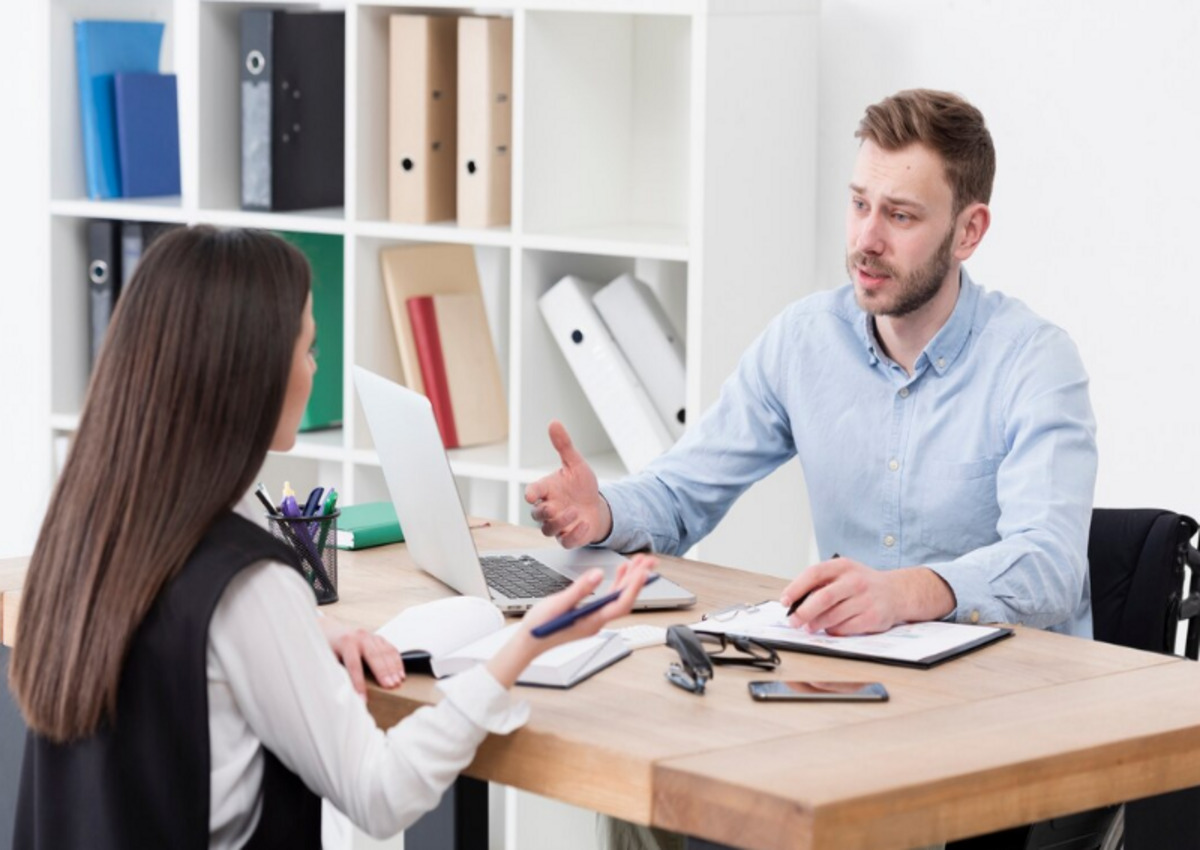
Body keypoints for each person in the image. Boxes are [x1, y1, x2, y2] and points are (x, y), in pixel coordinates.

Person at [532, 88, 1098, 850]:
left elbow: (1050, 564)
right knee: (649, 793)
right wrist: (598, 513)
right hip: (852, 699)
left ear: (969, 231)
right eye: (859, 203)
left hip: (995, 728)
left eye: (900, 216)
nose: (866, 238)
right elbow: (683, 492)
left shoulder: (1034, 362)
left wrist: (906, 592)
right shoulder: (806, 340)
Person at [7, 226, 652, 849]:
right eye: (308, 349)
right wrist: (522, 644)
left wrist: (307, 633)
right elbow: (380, 792)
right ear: (249, 376)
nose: (315, 371)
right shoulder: (247, 584)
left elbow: (186, 644)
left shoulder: (85, 537)